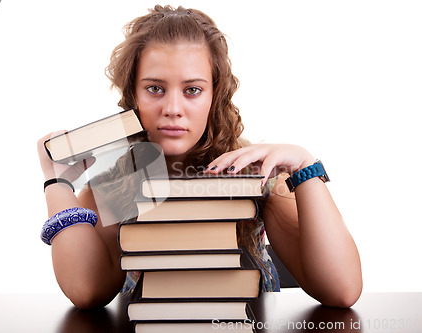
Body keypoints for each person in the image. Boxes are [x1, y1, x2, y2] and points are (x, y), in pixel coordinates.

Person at [37, 5, 362, 309]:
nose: (173, 109)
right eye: (155, 89)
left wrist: (305, 166)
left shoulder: (256, 178)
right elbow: (86, 290)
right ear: (133, 95)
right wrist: (58, 182)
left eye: (192, 90)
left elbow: (342, 290)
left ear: (214, 95)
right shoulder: (117, 185)